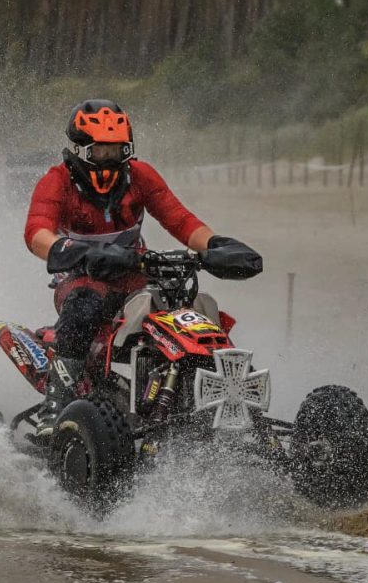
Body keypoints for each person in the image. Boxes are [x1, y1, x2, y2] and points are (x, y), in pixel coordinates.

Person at [24, 99, 262, 436]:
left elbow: (179, 219)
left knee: (193, 308)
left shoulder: (140, 175)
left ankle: (209, 393)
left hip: (136, 275)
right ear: (79, 150)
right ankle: (56, 406)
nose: (110, 160)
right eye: (100, 152)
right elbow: (36, 233)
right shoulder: (57, 181)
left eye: (118, 151)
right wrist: (75, 252)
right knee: (84, 309)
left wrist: (214, 246)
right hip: (81, 279)